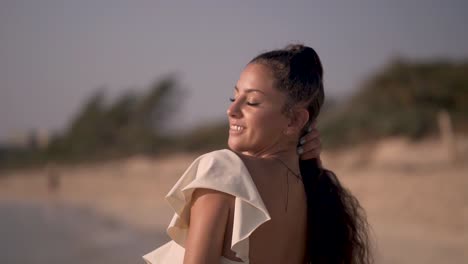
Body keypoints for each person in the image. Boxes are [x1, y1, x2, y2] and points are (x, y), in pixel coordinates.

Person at [143, 44, 371, 264]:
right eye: (234, 98)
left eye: (252, 102)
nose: (231, 110)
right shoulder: (312, 191)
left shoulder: (223, 171)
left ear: (294, 119)